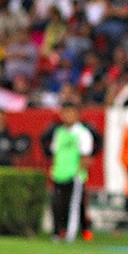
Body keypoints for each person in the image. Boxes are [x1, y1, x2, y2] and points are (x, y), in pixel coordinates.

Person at [41, 102, 95, 243]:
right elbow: (55, 153)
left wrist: (79, 172)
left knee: (74, 206)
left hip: (74, 175)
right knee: (57, 204)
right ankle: (57, 232)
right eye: (65, 112)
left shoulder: (83, 133)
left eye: (71, 112)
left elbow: (86, 155)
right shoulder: (59, 132)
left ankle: (71, 235)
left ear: (77, 115)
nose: (68, 116)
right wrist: (53, 168)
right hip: (59, 174)